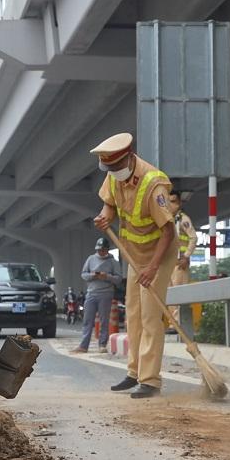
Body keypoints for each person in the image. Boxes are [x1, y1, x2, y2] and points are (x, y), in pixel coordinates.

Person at [91, 132, 176, 399]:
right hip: (134, 255)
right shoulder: (114, 174)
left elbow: (168, 232)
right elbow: (109, 204)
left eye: (116, 166)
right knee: (134, 315)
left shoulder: (153, 184)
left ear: (129, 158)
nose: (113, 172)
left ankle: (150, 380)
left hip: (158, 256)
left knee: (151, 317)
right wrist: (104, 218)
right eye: (109, 168)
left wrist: (152, 268)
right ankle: (134, 372)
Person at [71, 237, 122, 353]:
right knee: (87, 320)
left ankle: (102, 345)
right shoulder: (91, 259)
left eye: (103, 250)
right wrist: (93, 275)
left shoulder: (113, 262)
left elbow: (118, 279)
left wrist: (107, 276)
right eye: (99, 250)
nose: (101, 252)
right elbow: (84, 275)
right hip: (91, 293)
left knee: (104, 320)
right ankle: (84, 346)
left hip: (106, 293)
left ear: (107, 250)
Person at [167, 190, 197, 328]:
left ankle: (178, 325)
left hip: (180, 264)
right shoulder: (169, 219)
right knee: (170, 295)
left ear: (179, 203)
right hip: (169, 264)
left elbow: (193, 238)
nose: (171, 205)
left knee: (179, 295)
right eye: (169, 202)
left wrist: (186, 256)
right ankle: (172, 324)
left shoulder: (183, 219)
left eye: (173, 201)